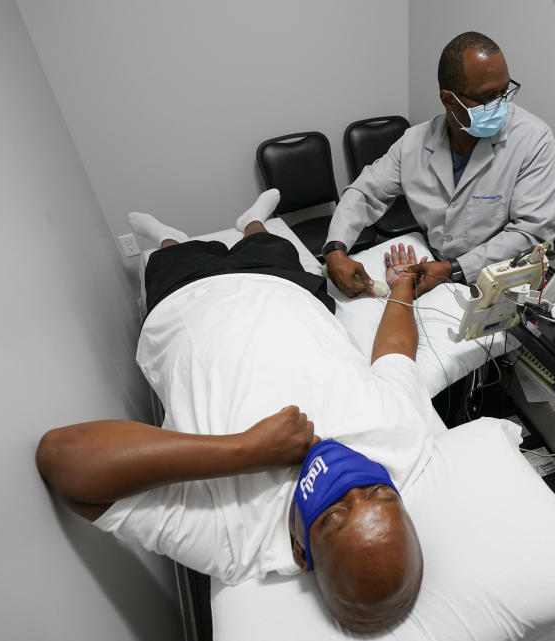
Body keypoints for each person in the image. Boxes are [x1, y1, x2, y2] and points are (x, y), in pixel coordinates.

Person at [36, 190, 447, 632]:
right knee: (265, 239)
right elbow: (395, 353)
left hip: (187, 303)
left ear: (300, 549)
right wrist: (402, 284)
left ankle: (166, 236)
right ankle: (251, 219)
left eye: (333, 516)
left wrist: (249, 449)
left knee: (177, 252)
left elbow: (63, 454)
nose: (351, 484)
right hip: (283, 286)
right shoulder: (404, 439)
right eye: (380, 494)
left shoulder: (234, 541)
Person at [324, 31, 555, 298]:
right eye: (488, 98)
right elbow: (365, 192)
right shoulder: (413, 143)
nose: (502, 106)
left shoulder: (533, 139)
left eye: (504, 91)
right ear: (449, 99)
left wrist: (453, 269)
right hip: (437, 271)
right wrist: (335, 248)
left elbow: (531, 232)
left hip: (502, 281)